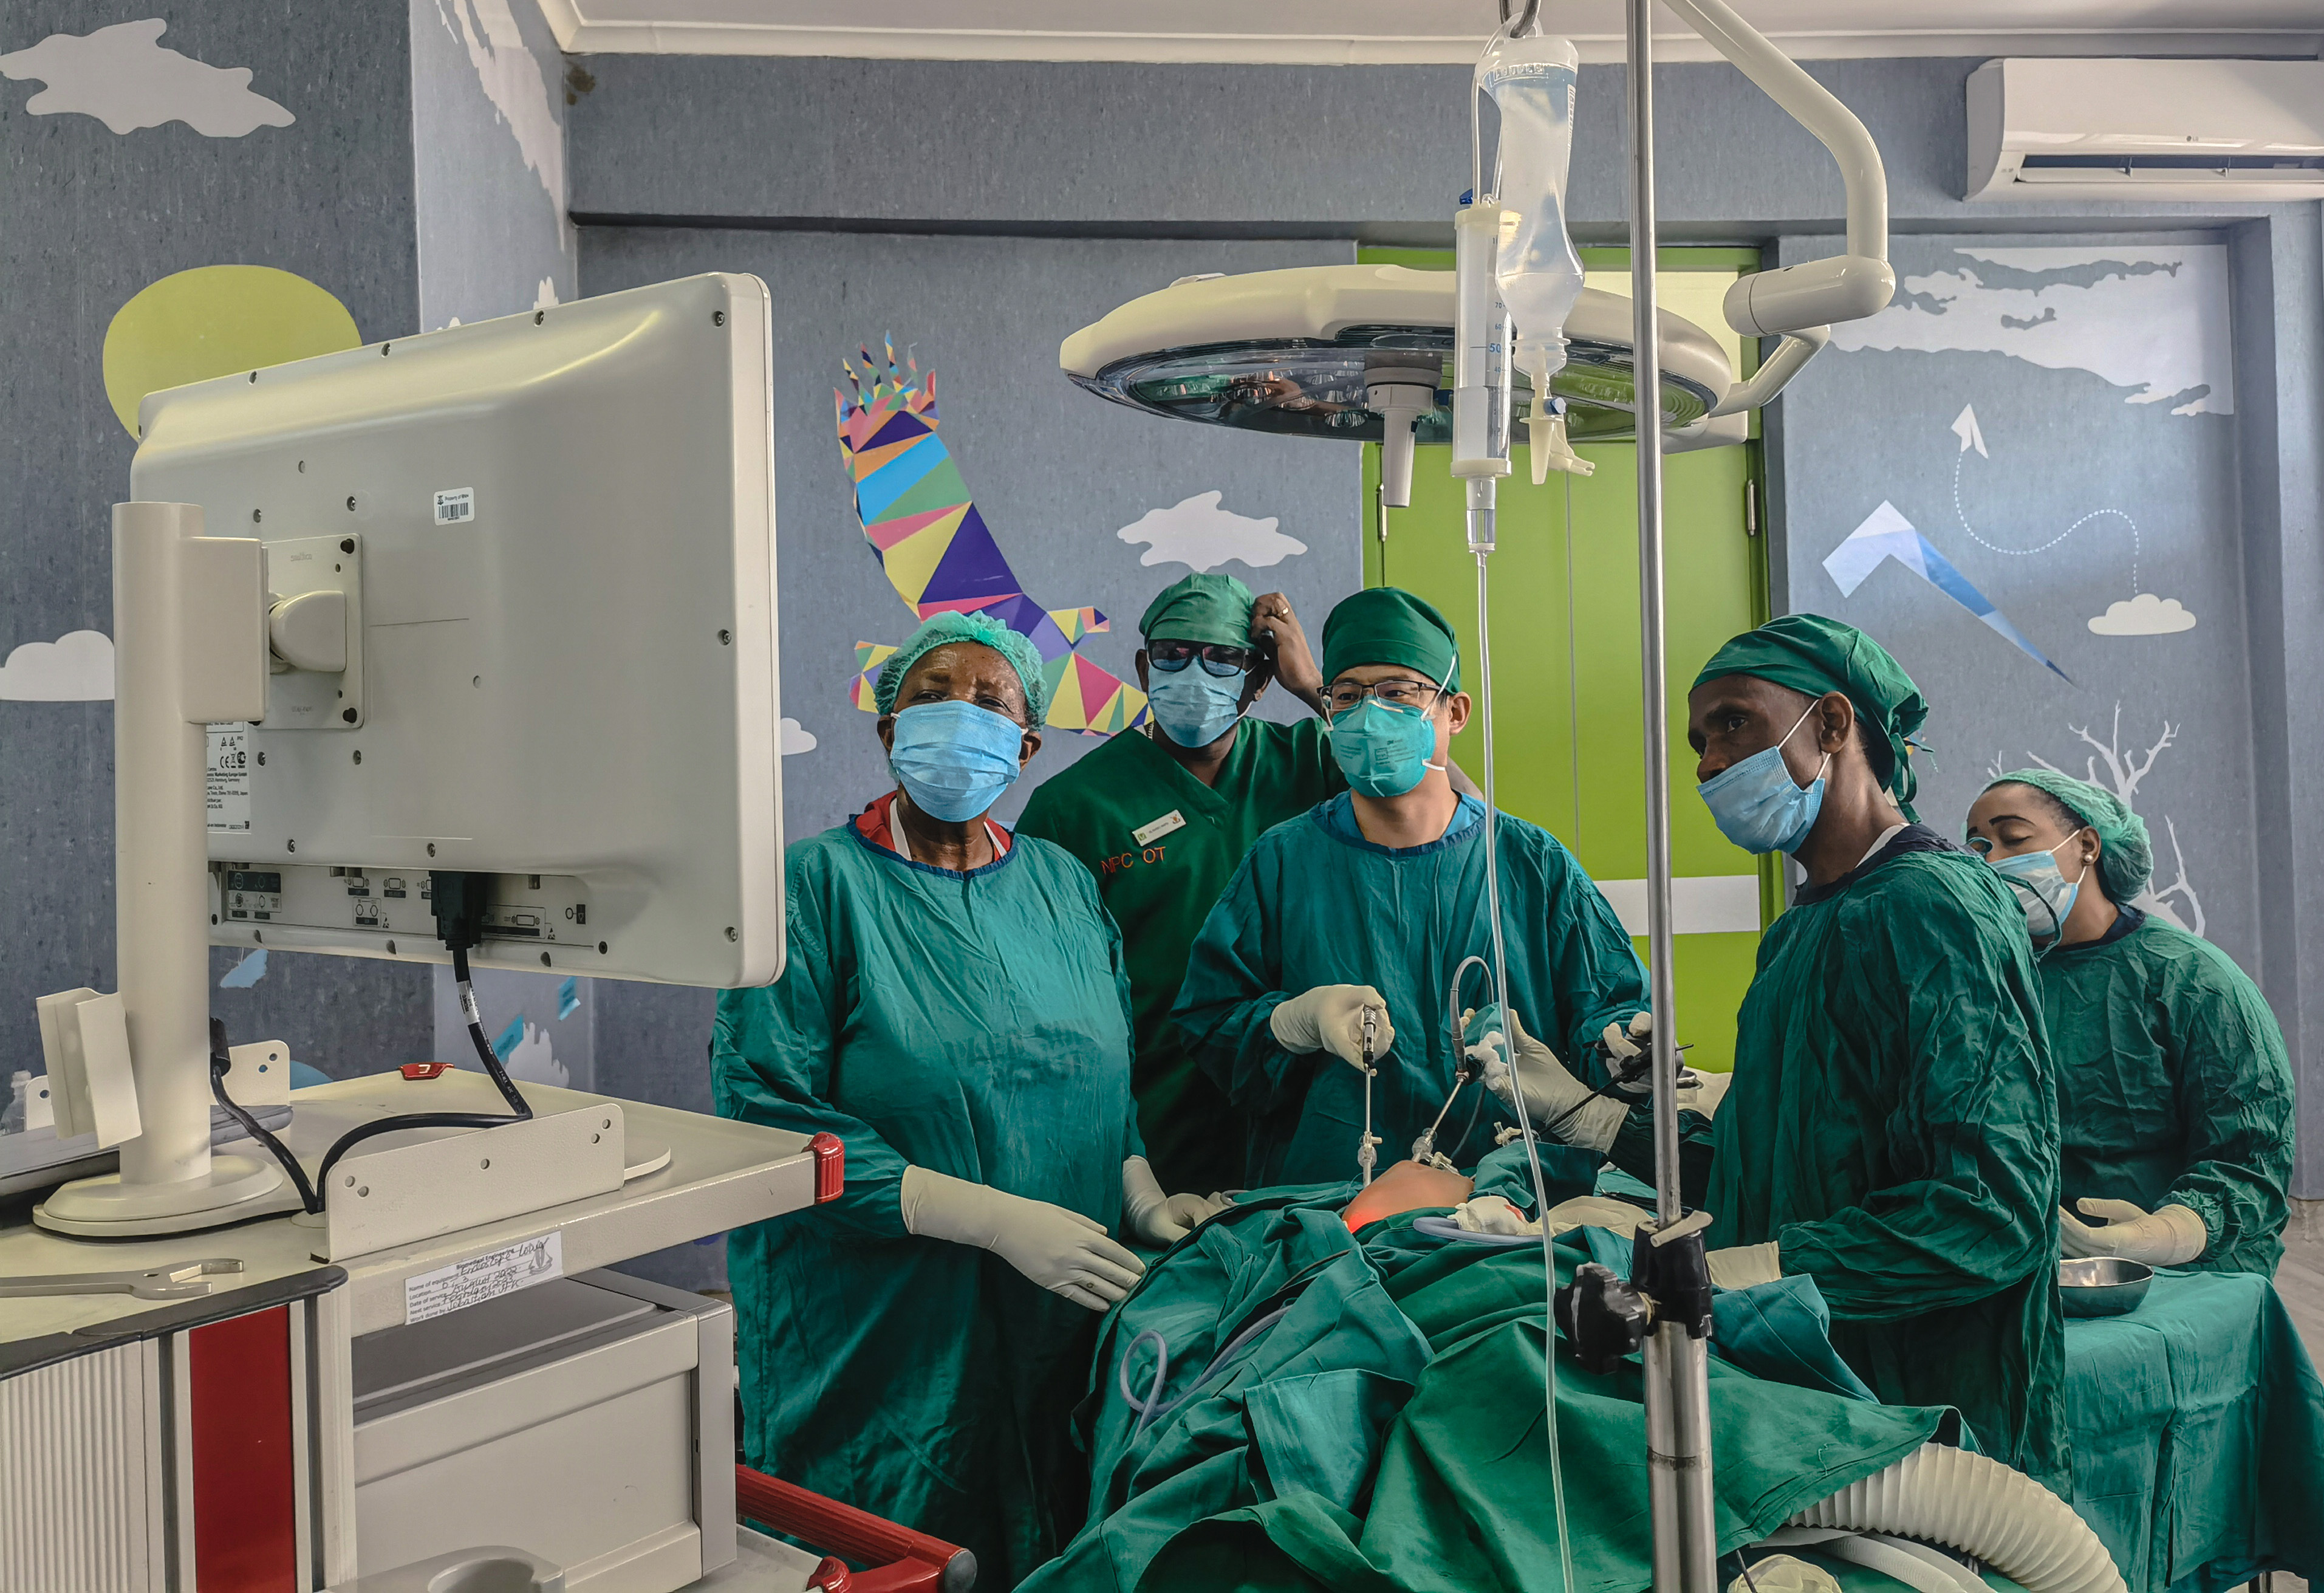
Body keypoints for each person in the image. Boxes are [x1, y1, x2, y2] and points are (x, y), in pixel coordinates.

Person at [1487, 614, 2069, 1493]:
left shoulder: (1930, 909)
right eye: (1699, 742)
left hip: (1927, 1410)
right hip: (1815, 1402)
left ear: (1831, 724)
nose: (1708, 763)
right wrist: (1586, 1114)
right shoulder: (1800, 933)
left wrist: (1757, 1270)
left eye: (1734, 723)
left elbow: (1990, 1210)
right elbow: (1765, 1168)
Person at [711, 610, 1217, 1589]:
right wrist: (985, 1216)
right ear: (888, 728)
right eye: (932, 693)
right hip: (884, 1332)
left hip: (1055, 1321)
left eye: (990, 700)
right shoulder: (812, 887)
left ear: (1026, 747)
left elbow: (1099, 1081)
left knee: (1049, 1535)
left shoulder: (1065, 887)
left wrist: (1142, 1191)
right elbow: (766, 1112)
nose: (959, 711)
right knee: (897, 1548)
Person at [1171, 586, 1649, 1189]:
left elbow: (1607, 1007)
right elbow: (1210, 1020)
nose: (1369, 714)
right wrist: (1291, 1022)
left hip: (1514, 1201)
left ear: (1455, 712)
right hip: (1330, 1201)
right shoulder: (1283, 861)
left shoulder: (1530, 863)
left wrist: (1621, 1046)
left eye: (1398, 692)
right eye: (1348, 696)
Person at [1015, 574, 1341, 1196]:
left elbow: (1452, 812)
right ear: (1144, 668)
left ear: (1259, 679)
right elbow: (1036, 1007)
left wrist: (1314, 690)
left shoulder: (1313, 763)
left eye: (1222, 659)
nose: (1194, 673)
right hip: (1155, 1126)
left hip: (1305, 1113)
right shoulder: (1074, 808)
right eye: (1172, 654)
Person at [1966, 769, 2294, 1273]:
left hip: (2182, 1269)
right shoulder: (1990, 979)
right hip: (2019, 1259)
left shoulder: (2192, 979)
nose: (1993, 863)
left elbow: (2252, 1152)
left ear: (2087, 846)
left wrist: (2166, 1233)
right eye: (1979, 848)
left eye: (2014, 838)